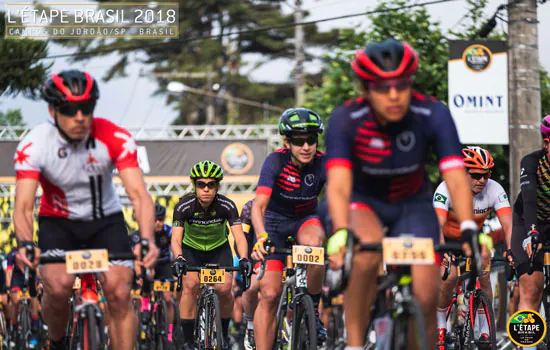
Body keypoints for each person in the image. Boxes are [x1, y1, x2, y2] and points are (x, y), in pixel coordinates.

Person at [324, 39, 481, 350]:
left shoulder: (433, 113)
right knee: (365, 257)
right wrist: (341, 232)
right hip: (364, 202)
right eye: (382, 87)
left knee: (424, 296)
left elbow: (455, 176)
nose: (394, 96)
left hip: (413, 204)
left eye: (402, 85)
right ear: (366, 89)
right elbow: (339, 183)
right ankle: (354, 344)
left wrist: (468, 227)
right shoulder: (345, 120)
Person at [12, 69, 159, 350]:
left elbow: (139, 195)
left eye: (86, 108)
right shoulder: (34, 144)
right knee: (57, 289)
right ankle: (57, 343)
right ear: (52, 110)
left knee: (119, 292)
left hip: (105, 220)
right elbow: (23, 206)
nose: (79, 117)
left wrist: (147, 239)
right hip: (58, 223)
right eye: (70, 109)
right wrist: (25, 244)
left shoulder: (114, 136)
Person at [250, 108, 327, 350]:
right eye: (298, 141)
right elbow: (258, 206)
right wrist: (261, 237)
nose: (306, 146)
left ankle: (312, 307)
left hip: (306, 218)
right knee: (270, 294)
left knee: (315, 246)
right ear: (287, 142)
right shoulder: (275, 161)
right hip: (274, 223)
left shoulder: (324, 163)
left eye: (311, 140)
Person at [433, 146, 512, 347]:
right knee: (449, 276)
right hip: (447, 239)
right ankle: (441, 325)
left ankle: (485, 331)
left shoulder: (494, 189)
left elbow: (509, 225)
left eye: (486, 175)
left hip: (471, 239)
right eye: (476, 175)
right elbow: (437, 225)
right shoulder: (447, 188)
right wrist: (442, 252)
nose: (482, 180)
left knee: (484, 269)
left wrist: (511, 252)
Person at [170, 160, 250, 350]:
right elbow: (175, 240)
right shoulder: (183, 206)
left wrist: (245, 258)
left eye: (211, 184)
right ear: (195, 186)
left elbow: (239, 237)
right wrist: (179, 258)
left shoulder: (226, 205)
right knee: (190, 286)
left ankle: (223, 334)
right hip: (191, 250)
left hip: (218, 250)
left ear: (217, 186)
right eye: (201, 184)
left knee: (224, 290)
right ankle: (189, 341)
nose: (206, 189)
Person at [511, 115, 550, 325]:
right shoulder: (532, 162)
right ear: (546, 143)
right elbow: (529, 201)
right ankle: (528, 347)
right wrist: (533, 232)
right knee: (532, 289)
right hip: (526, 222)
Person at [131, 203, 176, 343]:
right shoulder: (142, 233)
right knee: (146, 279)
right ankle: (145, 307)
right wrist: (139, 274)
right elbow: (136, 257)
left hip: (164, 264)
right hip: (147, 264)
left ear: (164, 219)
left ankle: (168, 333)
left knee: (168, 299)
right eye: (155, 219)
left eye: (160, 220)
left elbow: (175, 249)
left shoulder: (169, 231)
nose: (157, 223)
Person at [237, 198, 258, 350]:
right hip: (252, 250)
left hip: (282, 249)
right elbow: (242, 238)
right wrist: (246, 259)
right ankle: (250, 326)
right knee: (251, 288)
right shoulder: (249, 207)